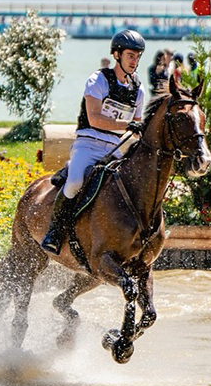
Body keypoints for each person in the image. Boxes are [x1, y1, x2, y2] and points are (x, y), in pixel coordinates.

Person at [40, 29, 147, 255]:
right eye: (130, 55)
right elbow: (95, 118)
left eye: (137, 56)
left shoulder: (138, 90)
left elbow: (137, 126)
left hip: (116, 149)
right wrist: (128, 125)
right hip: (88, 144)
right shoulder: (98, 80)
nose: (134, 61)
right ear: (116, 55)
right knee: (75, 181)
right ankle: (55, 231)